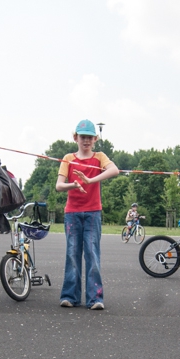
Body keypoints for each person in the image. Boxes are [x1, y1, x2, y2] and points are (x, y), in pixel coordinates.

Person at [55, 119, 119, 310]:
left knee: (92, 253)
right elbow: (59, 186)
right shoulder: (68, 158)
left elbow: (114, 170)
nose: (86, 141)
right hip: (72, 213)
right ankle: (70, 296)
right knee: (72, 254)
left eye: (90, 137)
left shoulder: (99, 157)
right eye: (83, 137)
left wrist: (91, 180)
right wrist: (73, 185)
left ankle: (95, 298)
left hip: (93, 213)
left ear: (95, 139)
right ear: (75, 137)